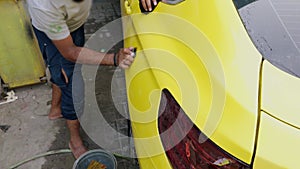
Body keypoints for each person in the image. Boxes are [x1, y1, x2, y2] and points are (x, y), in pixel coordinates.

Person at [26, 0, 135, 159]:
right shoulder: (44, 7)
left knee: (61, 71)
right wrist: (113, 59)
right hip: (52, 32)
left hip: (72, 23)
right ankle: (75, 141)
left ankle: (55, 109)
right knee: (71, 84)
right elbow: (70, 52)